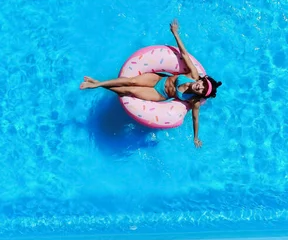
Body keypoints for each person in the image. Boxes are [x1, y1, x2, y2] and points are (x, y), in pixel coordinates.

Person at [80, 19, 222, 148]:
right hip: (159, 80)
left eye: (202, 90)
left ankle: (97, 83)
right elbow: (184, 54)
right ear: (201, 80)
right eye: (202, 84)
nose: (200, 87)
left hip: (160, 94)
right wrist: (175, 33)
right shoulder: (193, 75)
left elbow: (195, 118)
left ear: (200, 94)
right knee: (132, 81)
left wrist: (196, 138)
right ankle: (96, 84)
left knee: (130, 91)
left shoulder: (194, 101)